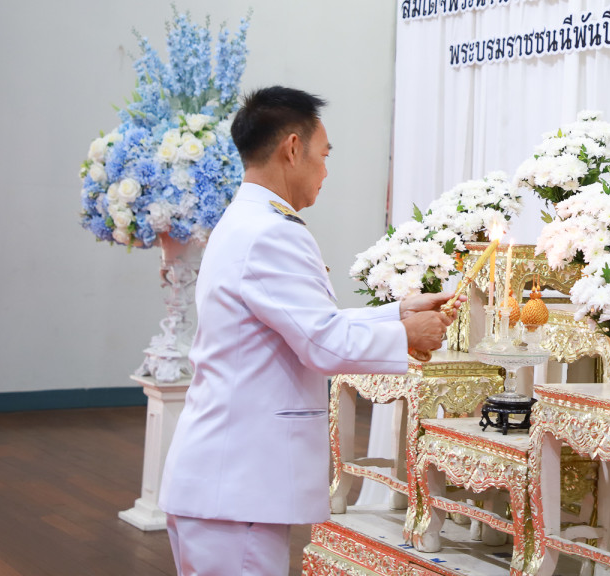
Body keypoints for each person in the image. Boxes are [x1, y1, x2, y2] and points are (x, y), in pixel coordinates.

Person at [159, 86, 453, 575]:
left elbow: (306, 323)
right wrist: (408, 335)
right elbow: (322, 343)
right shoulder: (271, 232)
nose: (326, 170)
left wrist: (398, 312)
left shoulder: (247, 220)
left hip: (228, 482)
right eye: (324, 154)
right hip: (237, 486)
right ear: (292, 149)